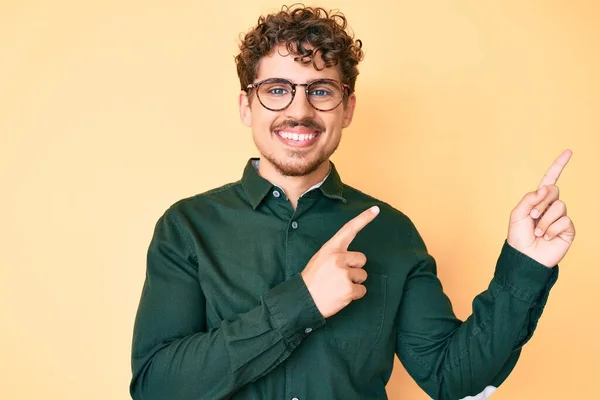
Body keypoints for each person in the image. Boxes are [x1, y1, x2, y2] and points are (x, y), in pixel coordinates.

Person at [129, 5, 575, 400]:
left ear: (347, 108)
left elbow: (451, 379)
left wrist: (524, 267)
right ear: (247, 106)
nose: (299, 110)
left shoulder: (392, 231)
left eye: (321, 90)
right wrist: (302, 301)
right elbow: (156, 386)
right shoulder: (187, 226)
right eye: (277, 89)